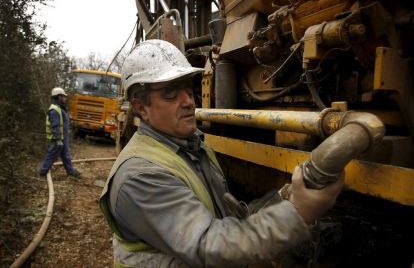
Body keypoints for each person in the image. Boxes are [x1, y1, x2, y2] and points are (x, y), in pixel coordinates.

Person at [99, 40, 344, 268]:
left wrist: (286, 198)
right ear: (141, 108)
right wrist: (297, 213)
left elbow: (225, 217)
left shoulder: (194, 147)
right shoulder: (140, 175)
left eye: (188, 90)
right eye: (171, 95)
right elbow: (210, 245)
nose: (188, 102)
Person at [39, 87, 82, 177]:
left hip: (63, 137)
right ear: (59, 97)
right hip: (58, 138)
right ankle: (42, 173)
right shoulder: (54, 110)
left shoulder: (60, 108)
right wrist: (58, 139)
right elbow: (55, 125)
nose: (65, 98)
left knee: (66, 155)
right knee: (52, 155)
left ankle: (70, 171)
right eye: (63, 96)